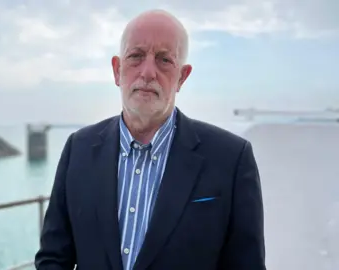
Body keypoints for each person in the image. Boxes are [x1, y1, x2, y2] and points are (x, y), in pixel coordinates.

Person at [34, 9, 266, 270]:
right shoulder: (79, 149)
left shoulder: (231, 160)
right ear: (117, 70)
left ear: (182, 76)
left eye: (164, 60)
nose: (147, 72)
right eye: (136, 56)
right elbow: (53, 258)